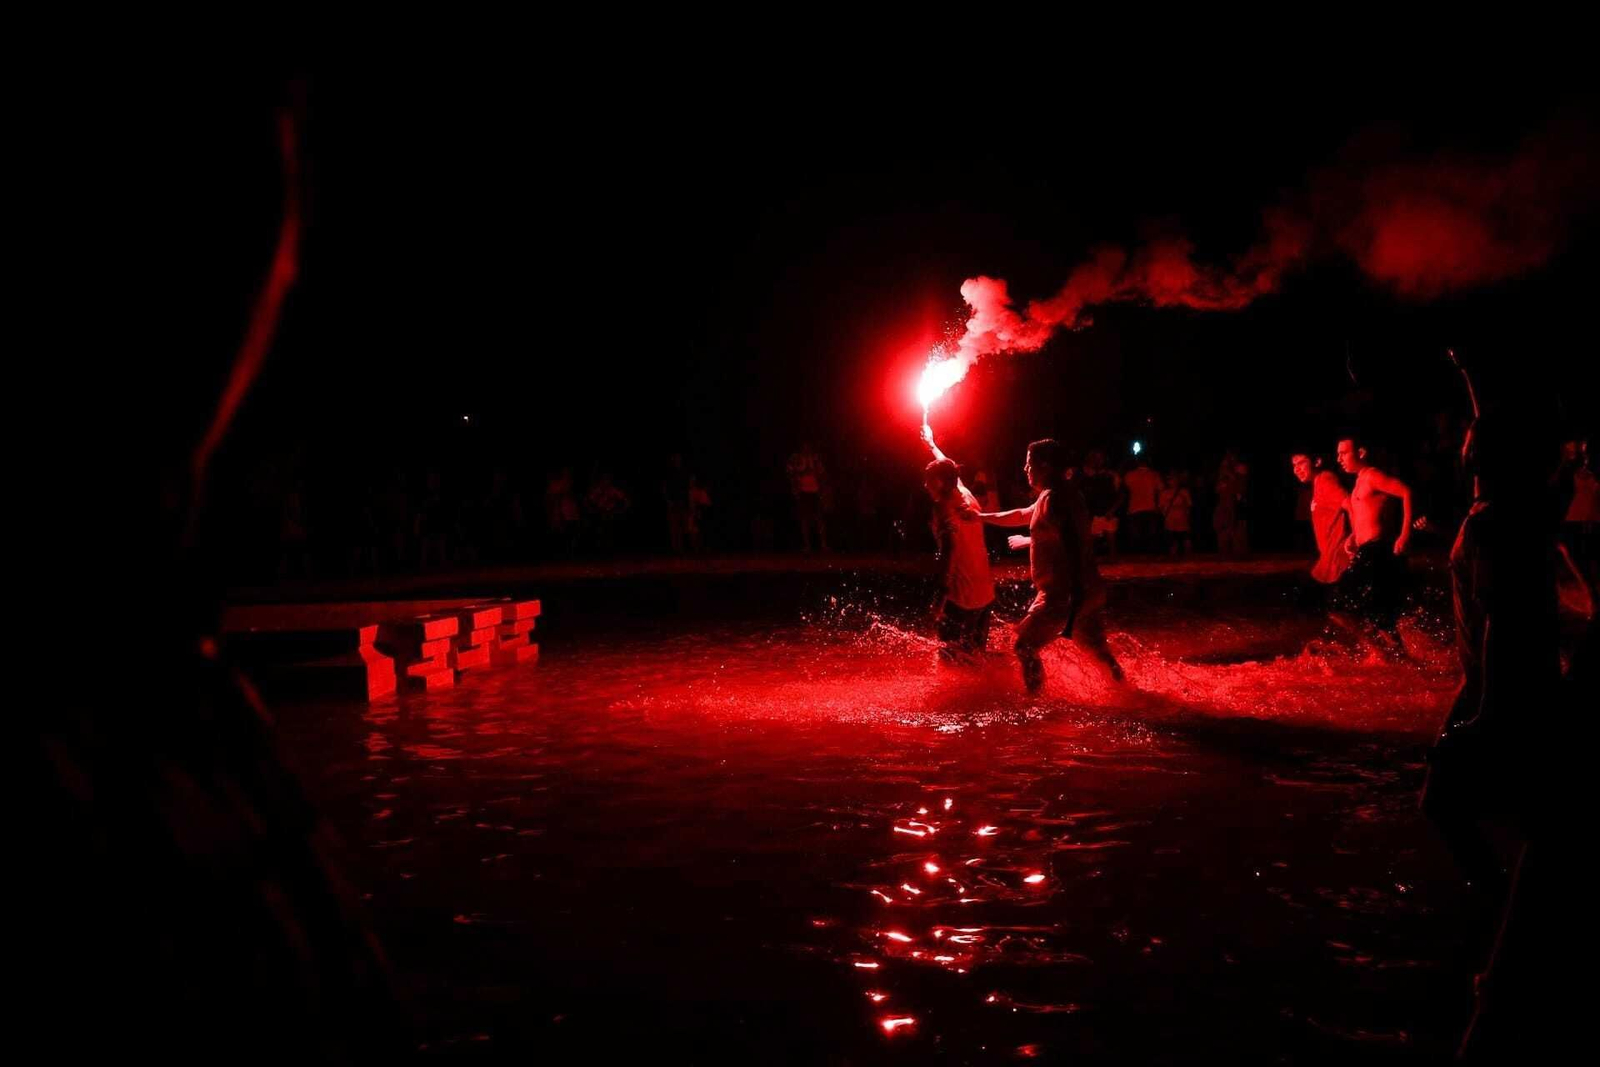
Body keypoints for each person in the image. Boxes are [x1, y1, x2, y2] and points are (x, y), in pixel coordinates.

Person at [981, 439, 1125, 693]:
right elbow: (1023, 516)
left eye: (1029, 464)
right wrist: (981, 517)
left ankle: (1037, 703)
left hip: (1064, 593)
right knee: (1100, 653)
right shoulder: (1060, 494)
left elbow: (1072, 541)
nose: (1025, 469)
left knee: (1024, 646)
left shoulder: (1054, 498)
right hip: (1087, 589)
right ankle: (1130, 695)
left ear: (1045, 465)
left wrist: (1075, 592)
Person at [919, 426, 996, 662]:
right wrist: (931, 444)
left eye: (928, 481)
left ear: (940, 482)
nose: (925, 485)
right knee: (977, 661)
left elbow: (949, 551)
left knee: (949, 661)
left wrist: (940, 598)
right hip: (985, 595)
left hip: (961, 598)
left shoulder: (943, 508)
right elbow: (950, 467)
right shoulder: (964, 492)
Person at [1331, 436, 1414, 650]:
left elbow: (1406, 492)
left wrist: (1404, 534)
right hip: (1369, 551)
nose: (1339, 458)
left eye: (1344, 453)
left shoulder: (1372, 476)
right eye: (1338, 454)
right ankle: (1389, 651)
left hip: (1378, 551)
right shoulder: (1360, 481)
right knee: (1373, 609)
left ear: (1361, 452)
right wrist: (1353, 537)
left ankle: (1381, 651)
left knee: (1342, 603)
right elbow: (1367, 515)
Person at [1291, 452, 1352, 584]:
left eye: (1301, 463)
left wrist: (1354, 537)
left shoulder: (1325, 480)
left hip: (1337, 558)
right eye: (1294, 465)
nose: (1296, 469)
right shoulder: (1318, 482)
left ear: (1317, 462)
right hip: (1329, 558)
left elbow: (1351, 505)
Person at [787, 442, 829, 552]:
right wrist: (795, 487)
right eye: (804, 447)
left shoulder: (815, 459)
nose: (806, 449)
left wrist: (823, 490)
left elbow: (822, 473)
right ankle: (807, 545)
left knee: (819, 519)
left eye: (808, 447)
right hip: (803, 492)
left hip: (815, 491)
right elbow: (791, 472)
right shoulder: (796, 459)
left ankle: (823, 545)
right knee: (804, 520)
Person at [1080, 449, 1122, 557]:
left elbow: (1120, 495)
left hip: (1109, 512)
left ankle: (1113, 560)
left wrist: (1112, 510)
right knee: (1092, 541)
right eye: (1095, 458)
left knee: (1111, 540)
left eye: (1099, 458)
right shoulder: (1089, 476)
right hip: (1095, 513)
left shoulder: (1111, 476)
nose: (1097, 461)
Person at [1123, 453, 1164, 553]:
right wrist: (1160, 506)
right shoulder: (1154, 475)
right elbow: (1161, 490)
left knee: (1135, 536)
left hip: (1134, 508)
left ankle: (1136, 556)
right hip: (1151, 508)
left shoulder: (1129, 475)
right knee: (1151, 536)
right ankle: (1150, 556)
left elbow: (1125, 490)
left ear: (1137, 462)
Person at [1159, 470, 1193, 557]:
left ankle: (1188, 556)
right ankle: (1173, 556)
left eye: (1173, 479)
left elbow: (1189, 505)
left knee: (1185, 538)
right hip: (1170, 520)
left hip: (1182, 519)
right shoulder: (1164, 493)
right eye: (1169, 479)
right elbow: (1161, 507)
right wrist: (1165, 516)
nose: (1171, 481)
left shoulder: (1184, 492)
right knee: (1172, 540)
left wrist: (1187, 516)